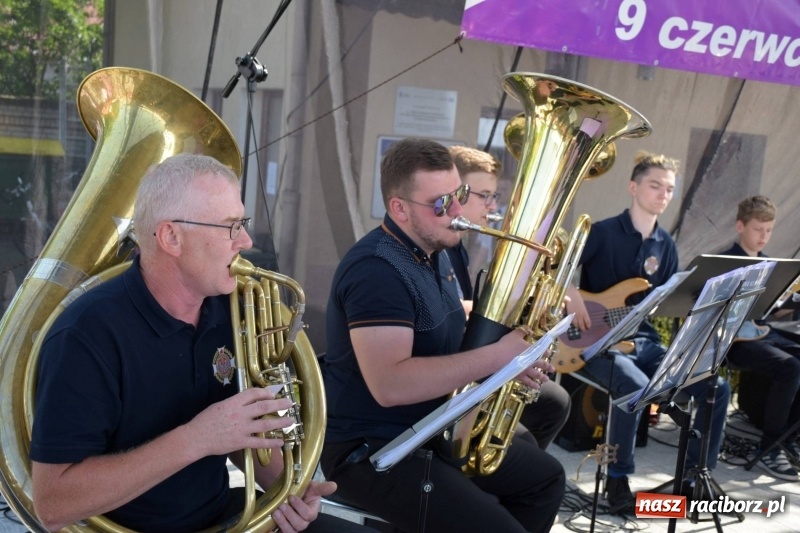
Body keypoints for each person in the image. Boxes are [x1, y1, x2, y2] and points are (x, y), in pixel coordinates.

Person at [29, 154, 373, 533]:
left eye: (242, 223)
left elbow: (252, 445)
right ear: (171, 237)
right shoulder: (86, 334)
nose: (246, 240)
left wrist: (291, 490)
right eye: (230, 227)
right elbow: (52, 504)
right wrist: (197, 439)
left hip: (223, 516)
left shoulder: (234, 308)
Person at [321, 138, 565, 533]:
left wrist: (507, 365)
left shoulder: (436, 251)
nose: (456, 211)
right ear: (399, 208)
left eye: (460, 195)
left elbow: (445, 332)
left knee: (547, 478)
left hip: (431, 426)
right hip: (377, 451)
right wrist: (497, 358)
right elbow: (391, 385)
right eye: (440, 203)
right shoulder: (376, 270)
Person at [565, 151, 731, 512]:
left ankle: (694, 478)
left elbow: (666, 302)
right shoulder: (602, 232)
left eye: (670, 189)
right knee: (636, 388)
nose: (663, 194)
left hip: (642, 340)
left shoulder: (665, 246)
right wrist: (570, 292)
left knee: (716, 386)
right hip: (595, 343)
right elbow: (556, 272)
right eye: (655, 185)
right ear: (632, 187)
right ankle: (618, 479)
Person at [445, 144, 571, 451]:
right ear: (455, 192)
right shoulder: (441, 244)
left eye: (494, 196)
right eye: (483, 195)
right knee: (547, 419)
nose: (491, 205)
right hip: (452, 369)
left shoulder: (461, 246)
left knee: (556, 400)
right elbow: (446, 312)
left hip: (470, 355)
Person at [717, 195, 800, 481]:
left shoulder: (770, 263)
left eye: (769, 230)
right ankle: (770, 446)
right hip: (733, 341)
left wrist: (789, 301)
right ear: (740, 226)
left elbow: (771, 312)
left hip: (760, 333)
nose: (764, 236)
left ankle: (788, 437)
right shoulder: (724, 262)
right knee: (790, 367)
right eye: (758, 229)